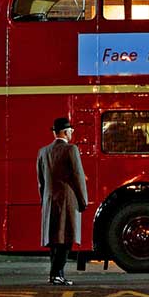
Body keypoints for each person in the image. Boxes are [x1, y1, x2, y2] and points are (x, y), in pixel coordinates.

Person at [37, 116, 89, 286]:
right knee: (66, 239)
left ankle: (56, 274)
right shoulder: (71, 150)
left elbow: (40, 181)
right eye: (71, 131)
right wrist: (83, 201)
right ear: (66, 132)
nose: (72, 134)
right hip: (67, 201)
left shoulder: (43, 151)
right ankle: (57, 274)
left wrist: (44, 200)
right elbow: (78, 177)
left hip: (49, 201)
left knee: (53, 240)